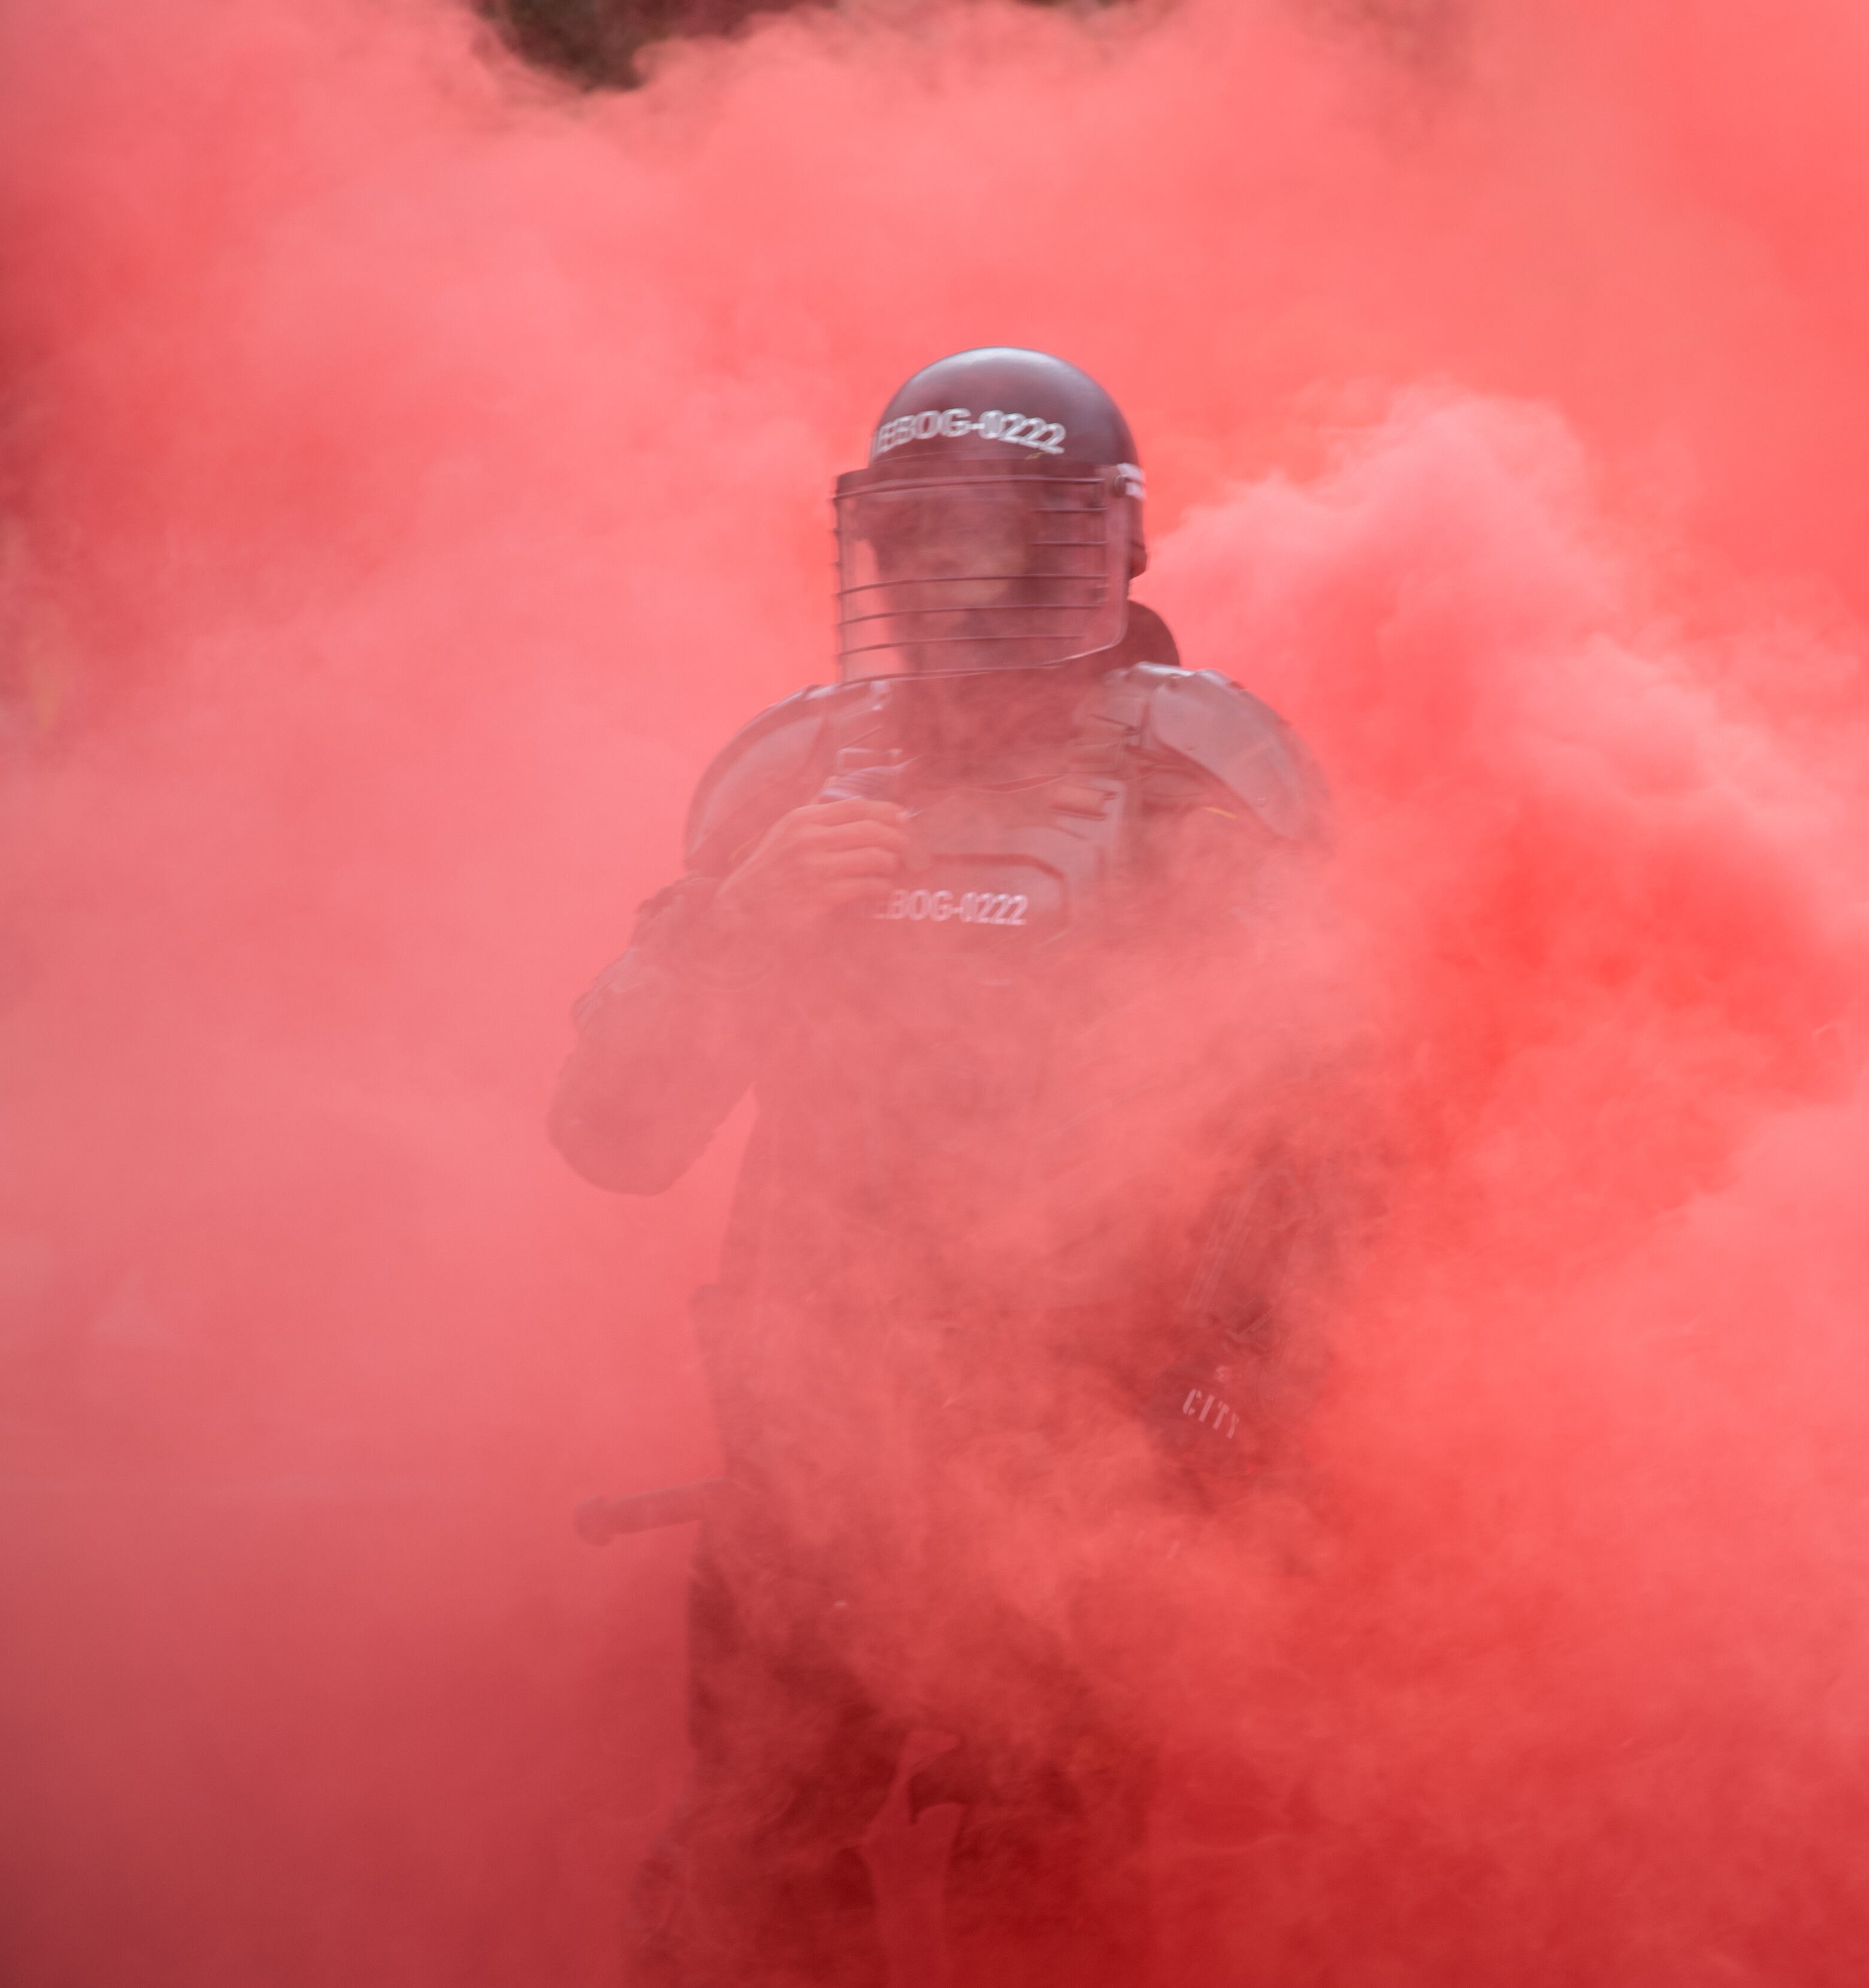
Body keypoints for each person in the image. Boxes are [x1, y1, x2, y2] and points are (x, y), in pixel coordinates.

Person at [550, 348, 1339, 1988]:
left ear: (1116, 550)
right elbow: (613, 1135)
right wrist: (735, 925)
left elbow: (1334, 1140)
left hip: (1097, 1462)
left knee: (1039, 1890)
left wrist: (1220, 1408)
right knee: (752, 1876)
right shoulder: (787, 784)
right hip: (811, 1463)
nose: (967, 578)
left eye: (1018, 533)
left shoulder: (1202, 790)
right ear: (876, 552)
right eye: (927, 536)